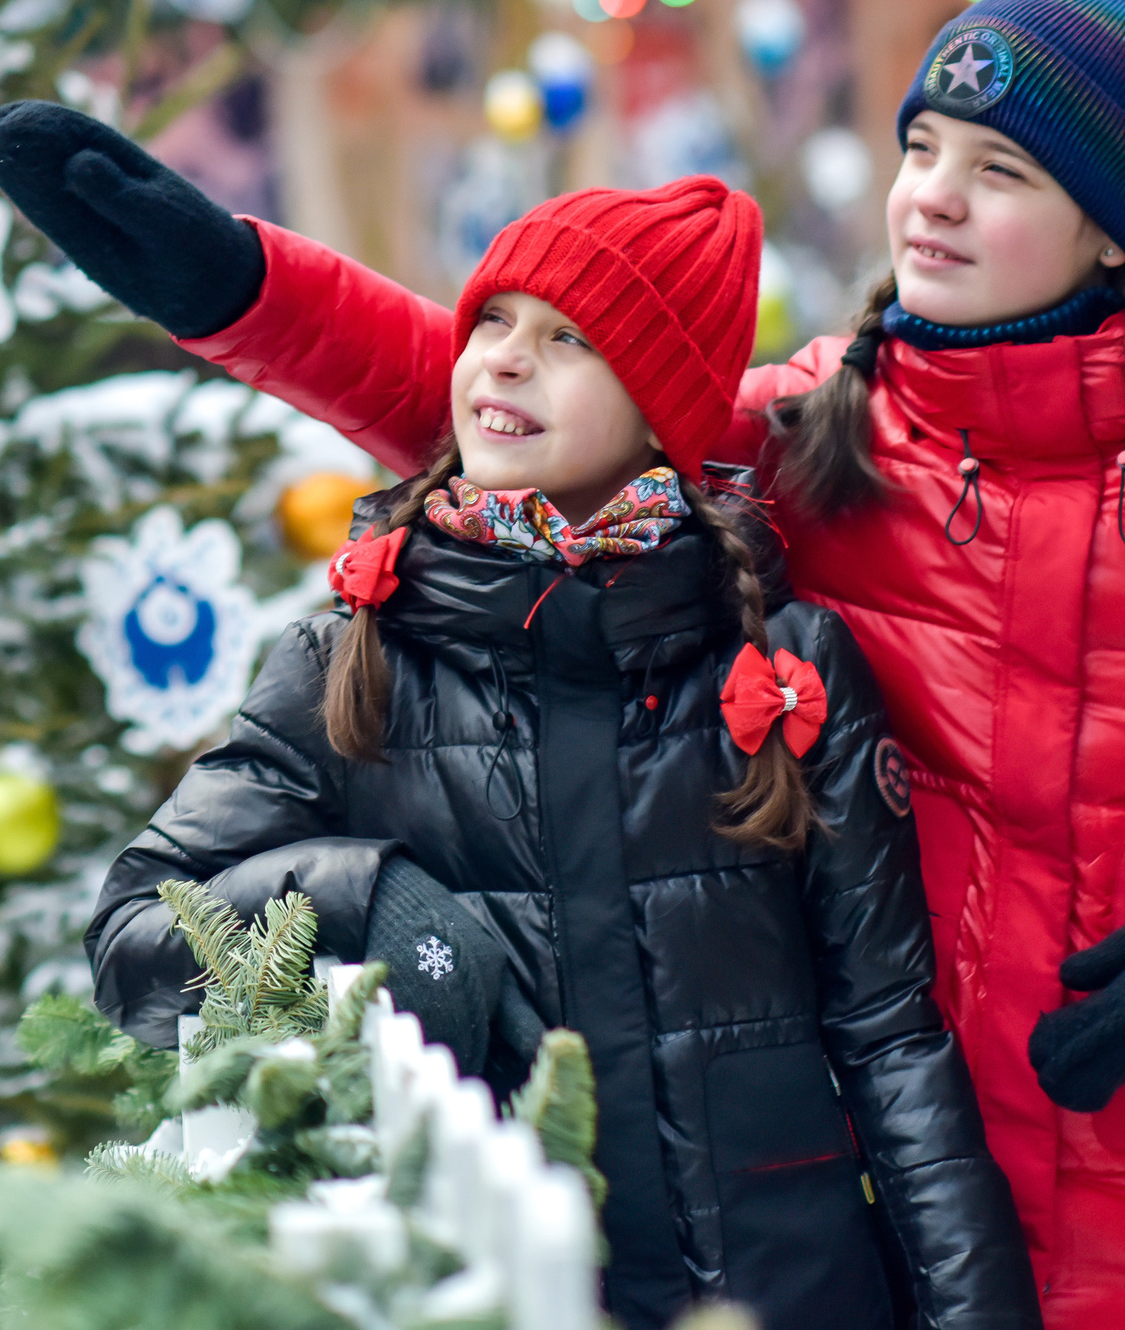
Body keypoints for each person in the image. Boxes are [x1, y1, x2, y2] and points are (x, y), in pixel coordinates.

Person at [0, 0, 1125, 1328]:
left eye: (1001, 172)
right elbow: (551, 417)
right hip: (892, 1210)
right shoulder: (825, 433)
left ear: (1113, 230)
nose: (933, 199)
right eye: (922, 150)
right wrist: (237, 285)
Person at [80, 179, 1041, 1330]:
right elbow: (135, 934)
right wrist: (368, 901)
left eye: (570, 338)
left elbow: (890, 1035)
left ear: (662, 410)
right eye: (491, 320)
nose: (506, 360)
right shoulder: (356, 652)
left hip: (789, 1291)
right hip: (485, 1290)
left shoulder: (784, 663)